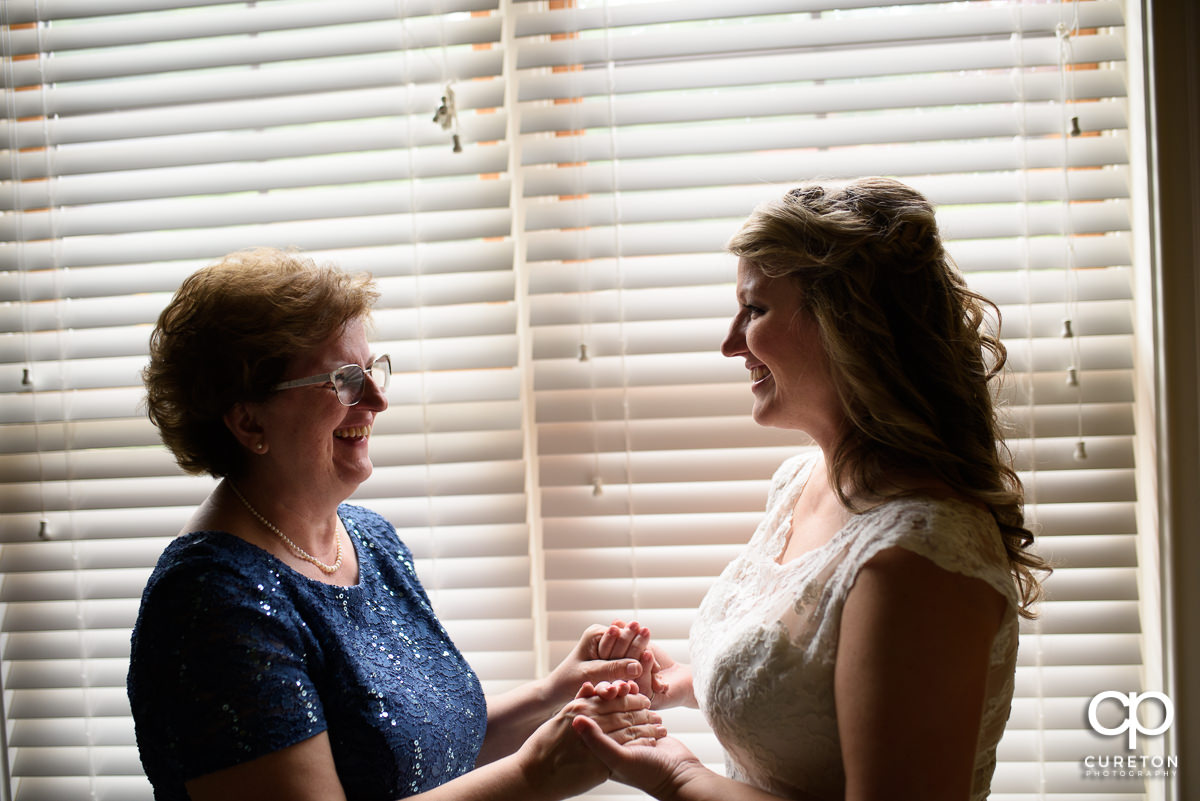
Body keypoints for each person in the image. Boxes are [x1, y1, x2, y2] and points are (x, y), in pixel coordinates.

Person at [574, 178, 1051, 801]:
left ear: (846, 326)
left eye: (756, 310)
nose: (729, 343)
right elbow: (815, 684)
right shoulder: (803, 479)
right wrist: (687, 683)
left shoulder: (919, 557)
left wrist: (678, 775)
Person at [127, 247, 664, 801]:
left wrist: (553, 695)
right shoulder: (212, 602)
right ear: (247, 419)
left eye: (371, 370)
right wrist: (535, 775)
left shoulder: (368, 539)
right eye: (341, 380)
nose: (377, 400)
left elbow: (412, 758)